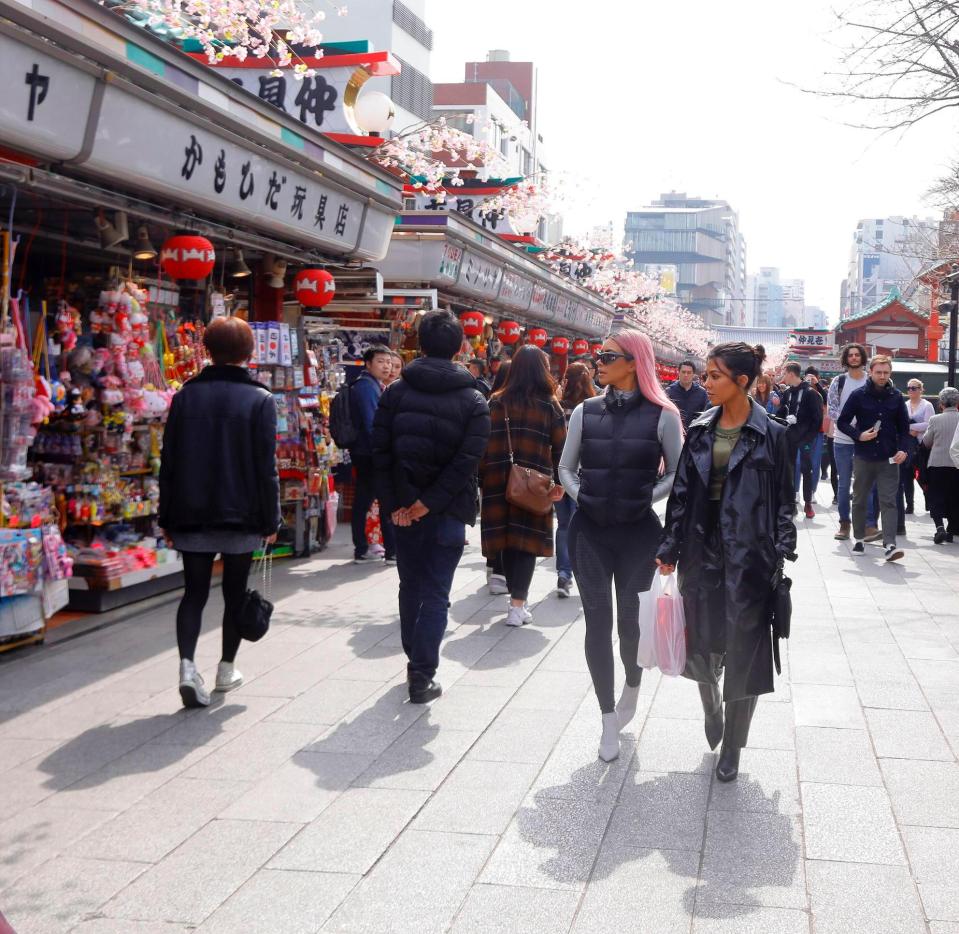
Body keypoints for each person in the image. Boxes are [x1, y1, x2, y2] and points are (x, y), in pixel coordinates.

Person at [657, 342, 796, 783]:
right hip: (701, 551)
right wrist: (669, 547)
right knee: (701, 640)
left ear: (741, 381)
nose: (705, 382)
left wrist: (781, 546)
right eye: (706, 374)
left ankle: (733, 745)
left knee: (747, 651)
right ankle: (711, 706)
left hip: (751, 555)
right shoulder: (698, 429)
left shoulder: (771, 433)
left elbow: (785, 500)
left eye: (715, 375)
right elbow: (681, 494)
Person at [559, 330, 683, 762]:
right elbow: (565, 468)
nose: (598, 361)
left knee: (631, 624)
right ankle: (607, 719)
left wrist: (645, 497)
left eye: (607, 355)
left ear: (634, 362)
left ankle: (633, 682)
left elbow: (676, 474)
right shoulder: (583, 411)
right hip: (588, 531)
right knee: (597, 622)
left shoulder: (663, 415)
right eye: (597, 355)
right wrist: (584, 497)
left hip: (638, 533)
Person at [159, 317, 280, 708]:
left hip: (190, 511)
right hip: (241, 513)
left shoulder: (185, 397)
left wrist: (166, 516)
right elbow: (267, 467)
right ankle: (226, 669)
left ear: (208, 350)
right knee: (234, 594)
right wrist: (271, 518)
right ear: (249, 352)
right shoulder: (260, 399)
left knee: (192, 594)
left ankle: (186, 666)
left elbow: (170, 461)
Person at [372, 311, 490, 703]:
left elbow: (381, 454)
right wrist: (427, 504)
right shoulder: (474, 400)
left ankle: (416, 661)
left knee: (411, 586)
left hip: (403, 513)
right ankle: (421, 674)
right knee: (437, 592)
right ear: (459, 348)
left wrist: (399, 505)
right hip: (448, 511)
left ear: (419, 344)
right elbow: (465, 464)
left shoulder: (394, 393)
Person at [480, 345, 566, 627]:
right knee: (526, 542)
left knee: (505, 538)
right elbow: (560, 447)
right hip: (534, 483)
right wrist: (560, 481)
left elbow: (482, 444)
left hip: (497, 481)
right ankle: (517, 605)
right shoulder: (549, 404)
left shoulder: (496, 402)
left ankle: (506, 585)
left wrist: (482, 479)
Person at [837, 355, 910, 562]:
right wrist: (858, 435)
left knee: (889, 501)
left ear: (890, 373)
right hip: (864, 457)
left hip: (889, 458)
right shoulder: (858, 395)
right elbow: (842, 422)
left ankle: (889, 545)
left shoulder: (896, 396)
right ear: (871, 372)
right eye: (878, 372)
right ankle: (859, 538)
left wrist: (904, 450)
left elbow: (905, 429)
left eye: (886, 373)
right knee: (859, 499)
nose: (882, 376)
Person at [349, 345, 396, 565]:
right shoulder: (367, 387)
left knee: (364, 499)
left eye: (388, 361)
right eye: (380, 361)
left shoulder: (371, 385)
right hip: (370, 453)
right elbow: (371, 424)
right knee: (382, 498)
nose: (386, 366)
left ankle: (362, 549)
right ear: (368, 364)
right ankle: (391, 552)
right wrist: (383, 451)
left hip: (366, 451)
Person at [555, 362, 596, 598]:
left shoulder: (559, 408)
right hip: (586, 476)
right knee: (583, 526)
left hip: (561, 472)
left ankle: (564, 573)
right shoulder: (594, 408)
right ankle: (582, 573)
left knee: (564, 525)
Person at [827, 343, 871, 541]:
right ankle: (844, 523)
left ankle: (869, 525)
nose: (854, 357)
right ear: (846, 359)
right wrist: (851, 428)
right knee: (844, 484)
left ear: (862, 357)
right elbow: (833, 410)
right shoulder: (839, 381)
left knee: (866, 484)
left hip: (868, 439)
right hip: (843, 439)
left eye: (857, 354)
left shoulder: (871, 381)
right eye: (850, 355)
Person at [777, 362, 823, 518]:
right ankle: (790, 503)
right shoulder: (787, 393)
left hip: (805, 439)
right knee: (788, 469)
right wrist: (783, 421)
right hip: (789, 436)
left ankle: (808, 503)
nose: (783, 378)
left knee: (806, 469)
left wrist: (808, 439)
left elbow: (817, 419)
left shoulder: (811, 393)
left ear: (791, 374)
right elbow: (780, 412)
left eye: (784, 374)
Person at [484, 360, 511, 596]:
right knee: (511, 524)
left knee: (494, 520)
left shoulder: (492, 401)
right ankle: (501, 573)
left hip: (493, 471)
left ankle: (493, 566)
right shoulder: (538, 401)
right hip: (522, 476)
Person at [921, 386, 959, 543]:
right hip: (956, 465)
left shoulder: (935, 420)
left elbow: (926, 442)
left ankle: (939, 528)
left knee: (936, 496)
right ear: (957, 403)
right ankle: (951, 529)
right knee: (954, 497)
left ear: (941, 404)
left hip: (937, 464)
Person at [903, 379, 934, 514]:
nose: (911, 390)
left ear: (921, 390)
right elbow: (900, 424)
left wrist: (911, 428)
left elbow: (930, 424)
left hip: (922, 446)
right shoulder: (905, 404)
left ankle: (930, 502)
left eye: (914, 388)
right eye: (909, 388)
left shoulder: (927, 405)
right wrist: (910, 429)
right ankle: (909, 505)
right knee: (907, 476)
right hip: (907, 445)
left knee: (922, 476)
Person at [666, 360, 710, 430]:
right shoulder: (669, 392)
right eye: (683, 372)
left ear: (693, 374)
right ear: (679, 373)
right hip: (673, 431)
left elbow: (706, 415)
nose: (686, 375)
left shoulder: (702, 393)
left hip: (694, 433)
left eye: (689, 373)